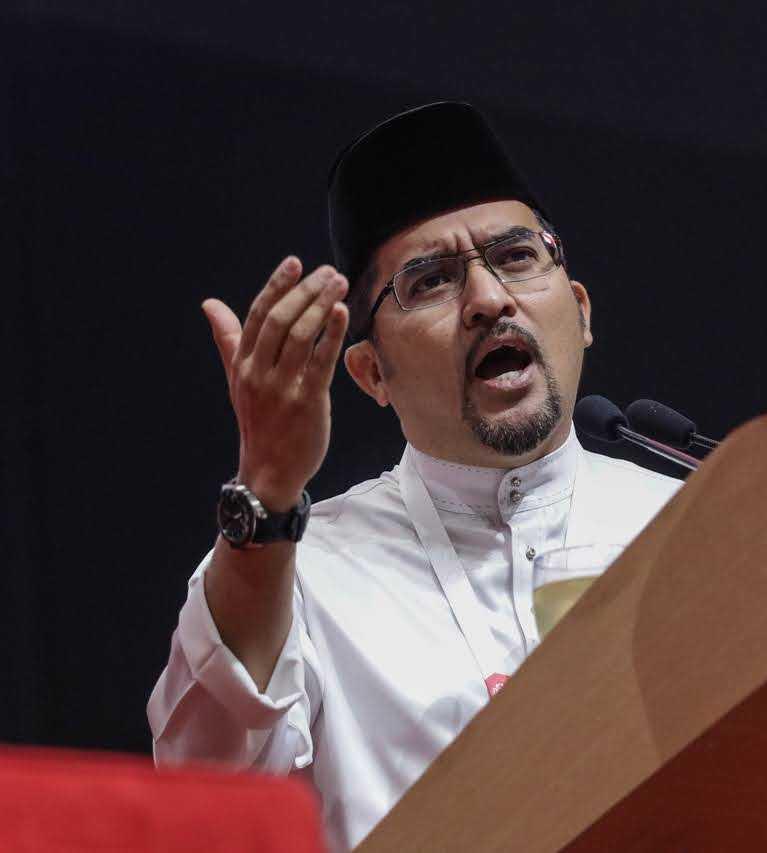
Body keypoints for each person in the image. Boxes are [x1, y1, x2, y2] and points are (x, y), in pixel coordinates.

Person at [147, 102, 681, 851]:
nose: (490, 299)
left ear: (581, 308)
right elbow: (202, 784)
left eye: (519, 256)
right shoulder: (297, 571)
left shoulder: (692, 523)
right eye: (430, 281)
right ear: (370, 372)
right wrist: (266, 490)